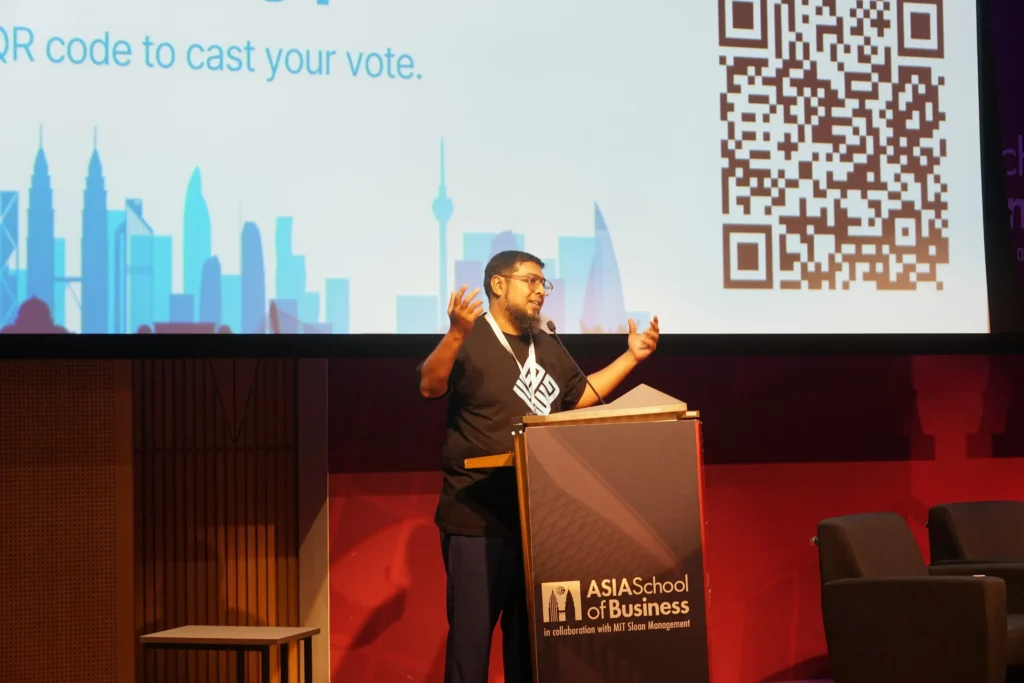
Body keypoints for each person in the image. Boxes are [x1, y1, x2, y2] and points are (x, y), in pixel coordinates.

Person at [416, 250, 660, 683]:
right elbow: (430, 386)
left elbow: (579, 397)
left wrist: (631, 358)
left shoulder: (546, 343)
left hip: (538, 520)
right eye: (530, 281)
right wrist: (454, 333)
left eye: (543, 284)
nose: (540, 292)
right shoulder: (470, 337)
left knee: (530, 651)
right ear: (498, 285)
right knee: (471, 646)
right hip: (477, 519)